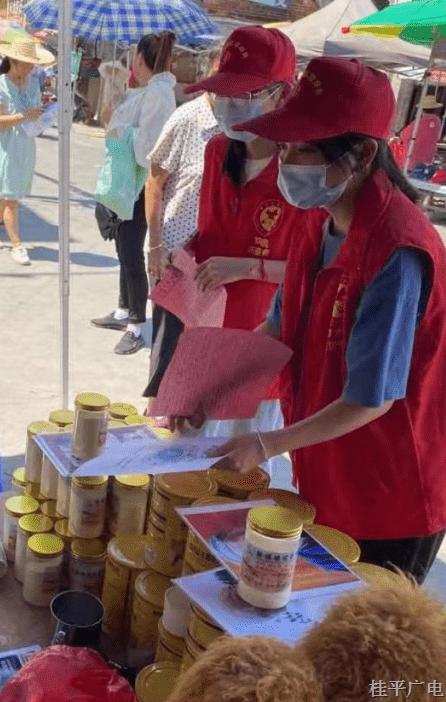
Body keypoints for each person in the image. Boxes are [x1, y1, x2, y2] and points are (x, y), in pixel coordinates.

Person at [210, 57, 446, 584]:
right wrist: (209, 388)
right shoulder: (319, 221)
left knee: (368, 632)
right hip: (335, 464)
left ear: (359, 154)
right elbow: (277, 327)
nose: (286, 160)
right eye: (285, 146)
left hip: (396, 478)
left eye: (303, 149)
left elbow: (370, 397)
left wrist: (265, 444)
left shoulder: (397, 249)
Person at [169, 27, 309, 479]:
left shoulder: (304, 170)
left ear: (281, 94)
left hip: (262, 346)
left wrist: (246, 266)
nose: (228, 105)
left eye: (242, 93)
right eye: (222, 93)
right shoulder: (216, 151)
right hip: (208, 334)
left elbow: (317, 272)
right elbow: (211, 235)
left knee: (241, 478)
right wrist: (181, 259)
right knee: (186, 467)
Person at [143, 42, 222, 399]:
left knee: (202, 347)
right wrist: (156, 247)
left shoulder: (246, 131)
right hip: (174, 253)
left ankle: (182, 412)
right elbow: (154, 181)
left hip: (216, 259)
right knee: (168, 343)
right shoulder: (187, 119)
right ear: (208, 76)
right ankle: (158, 412)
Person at [90, 31, 177, 355]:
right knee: (122, 250)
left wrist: (122, 131)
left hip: (140, 186)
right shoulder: (153, 92)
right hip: (133, 184)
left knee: (131, 253)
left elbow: (148, 150)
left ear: (139, 59)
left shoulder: (158, 95)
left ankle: (137, 325)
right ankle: (124, 310)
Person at [0, 40, 53, 267]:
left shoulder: (32, 85)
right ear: (14, 61)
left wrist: (45, 115)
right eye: (27, 64)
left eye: (33, 64)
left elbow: (34, 111)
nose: (31, 69)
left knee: (10, 194)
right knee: (10, 198)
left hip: (26, 146)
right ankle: (17, 244)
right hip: (7, 148)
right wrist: (23, 116)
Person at [392, 94, 443, 169]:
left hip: (412, 163)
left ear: (422, 109)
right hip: (427, 161)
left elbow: (403, 134)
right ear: (435, 109)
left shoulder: (418, 123)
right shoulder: (438, 122)